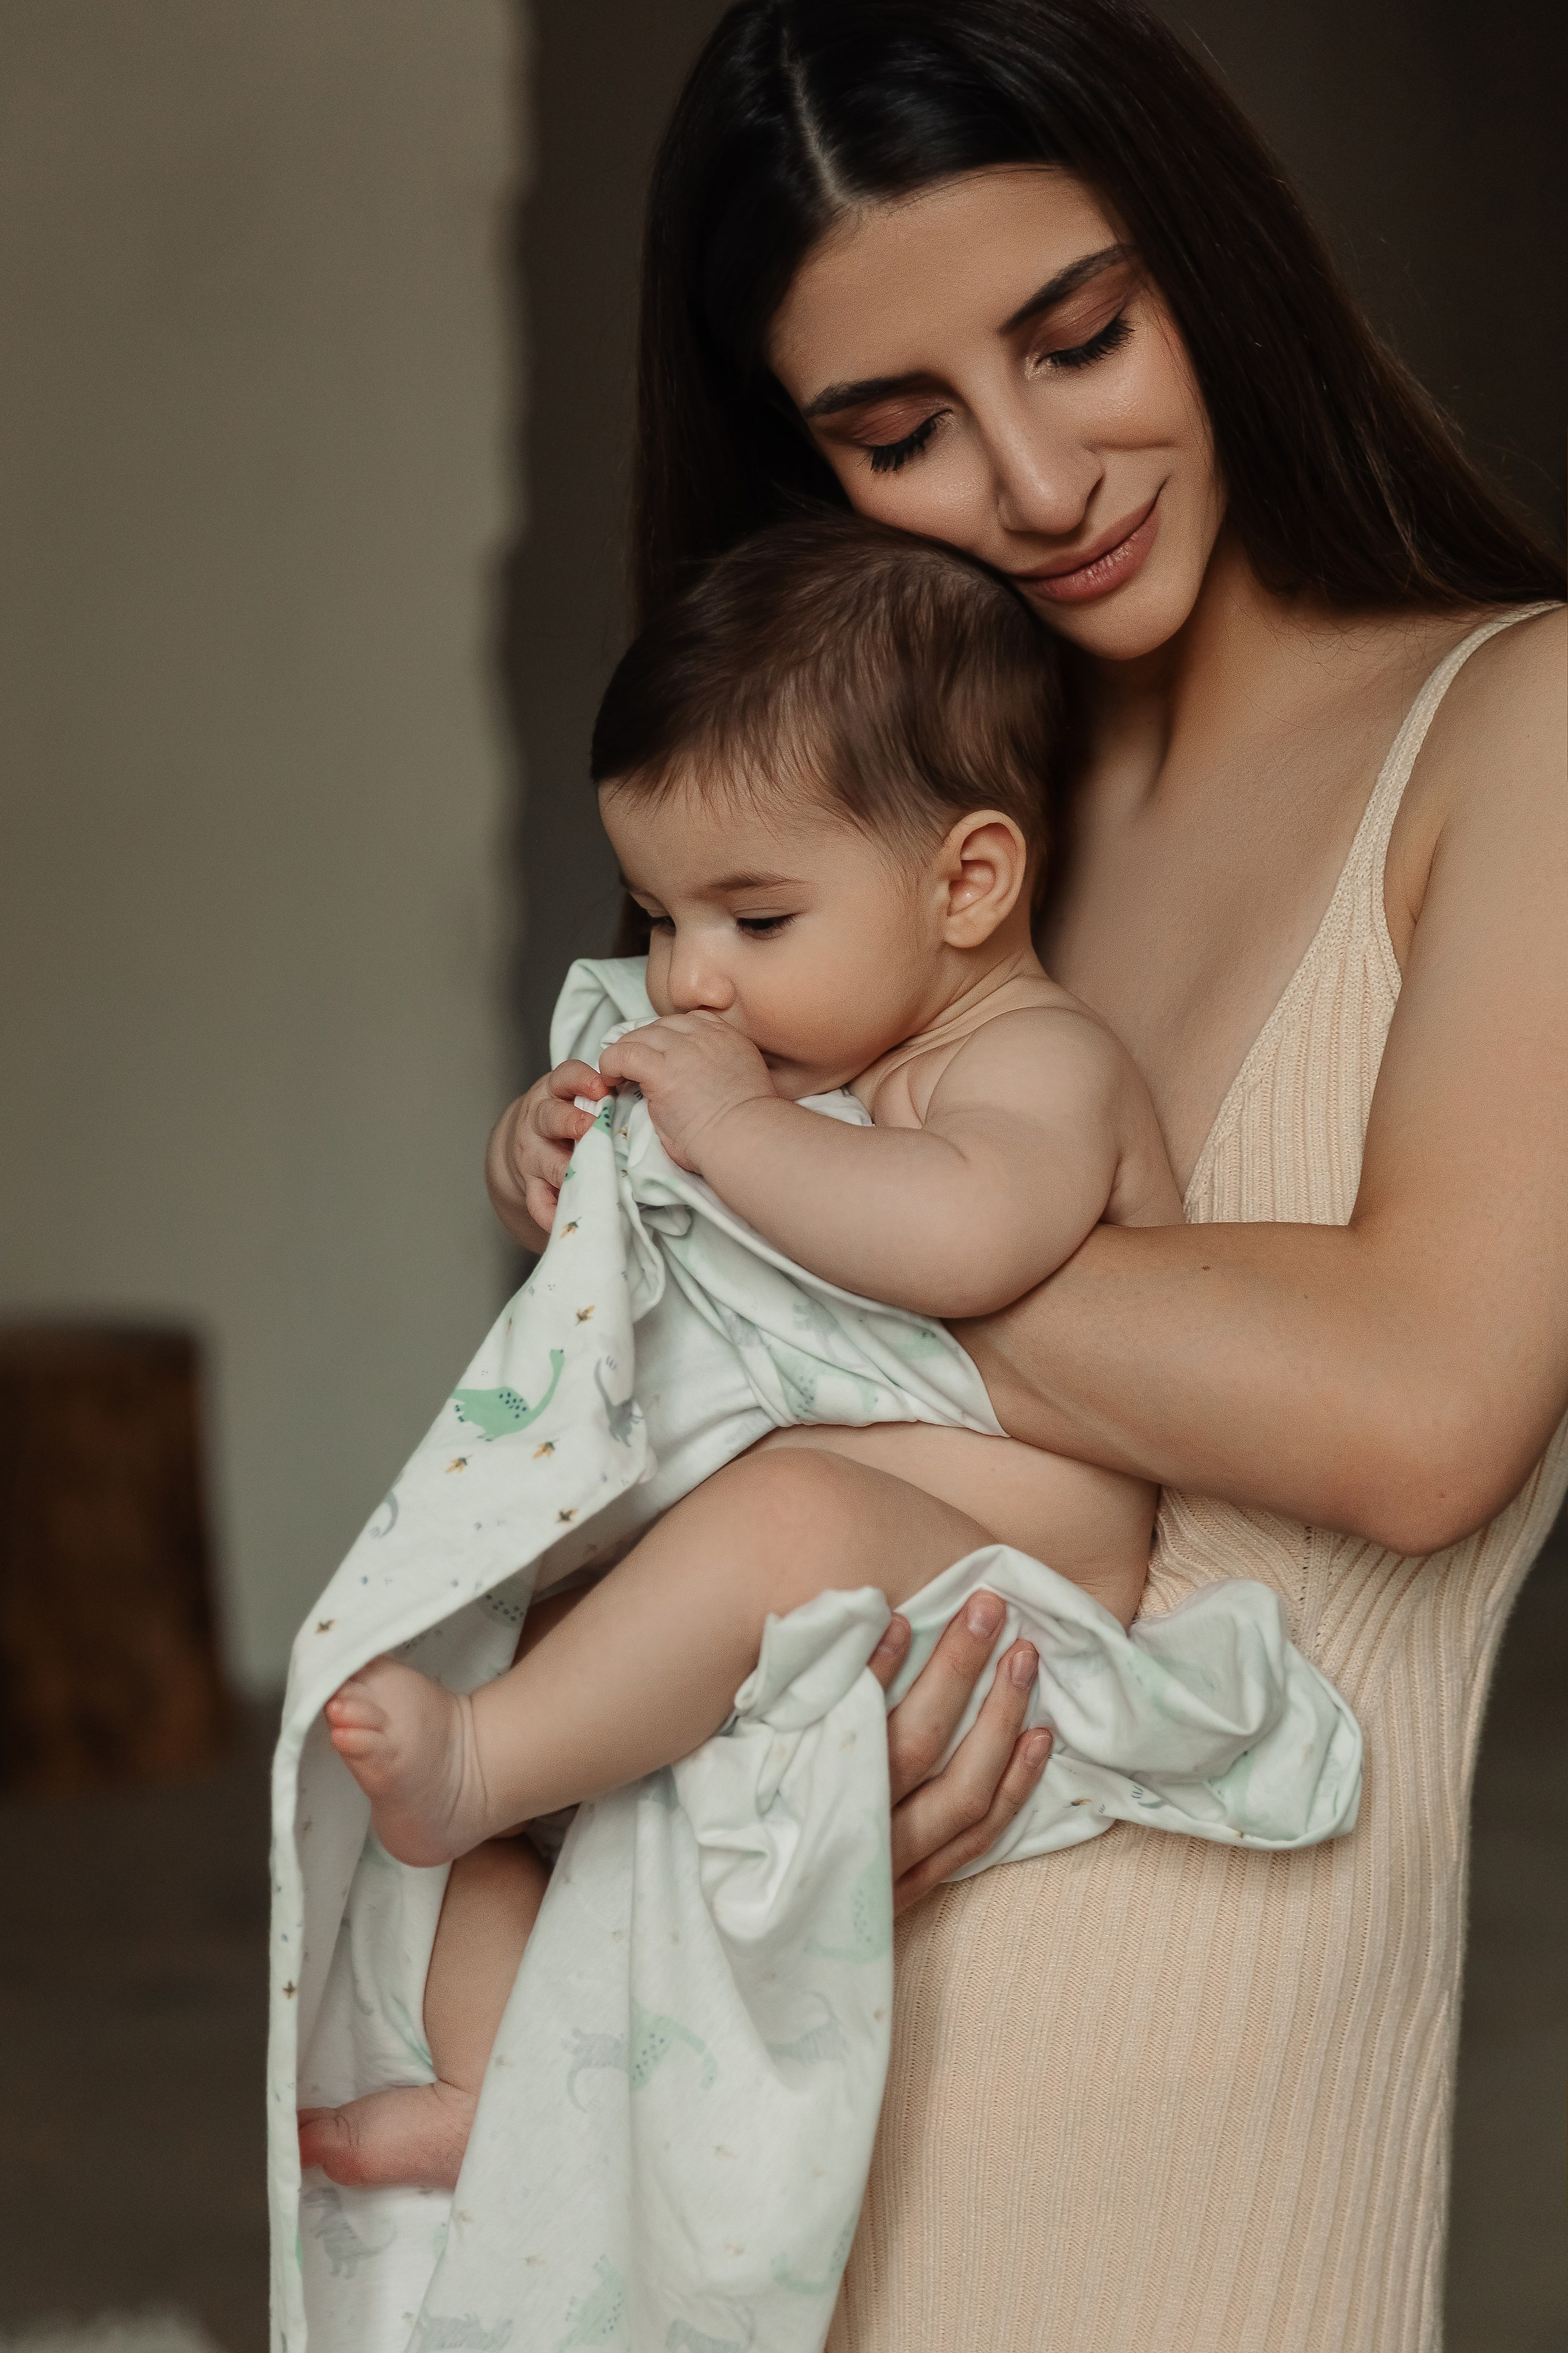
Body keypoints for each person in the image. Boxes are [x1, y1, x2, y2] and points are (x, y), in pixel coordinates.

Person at [490, 4, 1566, 2347]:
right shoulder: (849, 843)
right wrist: (699, 1795)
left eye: (1080, 336)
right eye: (902, 430)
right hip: (742, 2059)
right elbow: (631, 1462)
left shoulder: (1518, 731)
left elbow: (1417, 1415)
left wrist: (762, 1191)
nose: (1037, 475)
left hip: (1188, 2171)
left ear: (1209, 259)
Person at [304, 512, 1186, 2191]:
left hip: (1009, 1566)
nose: (689, 973)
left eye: (755, 919)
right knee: (522, 1657)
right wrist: (545, 1159)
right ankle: (496, 2081)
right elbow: (668, 1273)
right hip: (801, 1535)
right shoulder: (782, 1064)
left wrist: (722, 1130)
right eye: (655, 912)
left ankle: (486, 1770)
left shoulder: (1036, 1058)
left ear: (969, 882)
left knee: (713, 1574)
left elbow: (961, 1239)